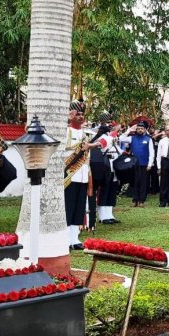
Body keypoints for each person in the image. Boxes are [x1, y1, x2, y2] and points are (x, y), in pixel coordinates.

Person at [62, 100, 95, 248]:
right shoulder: (65, 131)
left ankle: (74, 239)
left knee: (79, 207)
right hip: (70, 174)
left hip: (82, 174)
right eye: (77, 114)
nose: (81, 117)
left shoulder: (86, 133)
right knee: (68, 207)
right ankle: (65, 239)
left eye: (82, 114)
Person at [120, 121, 155, 207]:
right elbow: (121, 138)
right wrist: (129, 130)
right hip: (134, 164)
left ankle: (142, 201)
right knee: (134, 182)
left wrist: (150, 164)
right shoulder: (132, 138)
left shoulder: (148, 139)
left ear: (145, 129)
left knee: (143, 183)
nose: (139, 130)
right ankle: (134, 200)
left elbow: (152, 153)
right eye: (138, 128)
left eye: (141, 129)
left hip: (144, 164)